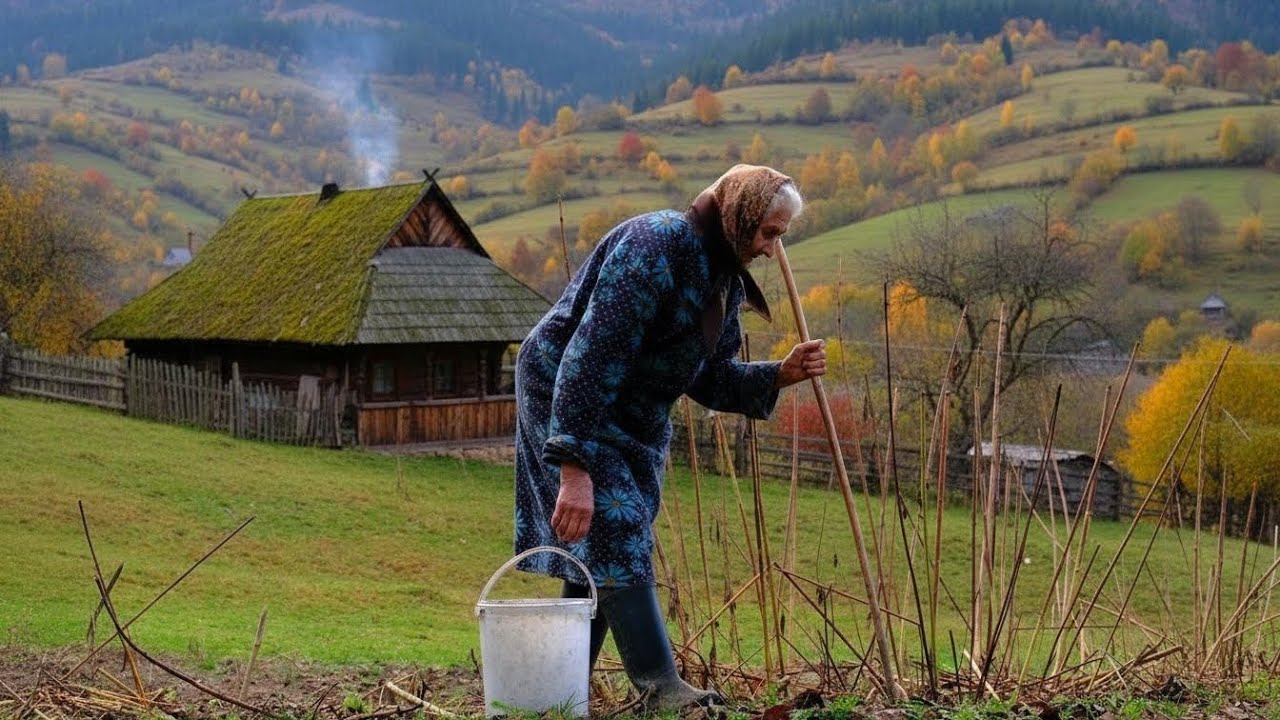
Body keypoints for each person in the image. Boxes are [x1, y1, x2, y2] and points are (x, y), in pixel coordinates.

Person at [512, 164, 825, 710]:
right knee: (617, 520)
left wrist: (780, 373)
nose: (772, 251)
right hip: (568, 391)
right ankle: (662, 689)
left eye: (780, 237)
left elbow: (709, 376)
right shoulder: (653, 245)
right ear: (740, 214)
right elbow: (590, 357)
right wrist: (573, 465)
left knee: (606, 539)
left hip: (634, 412)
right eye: (769, 233)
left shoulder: (722, 277)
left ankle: (556, 692)